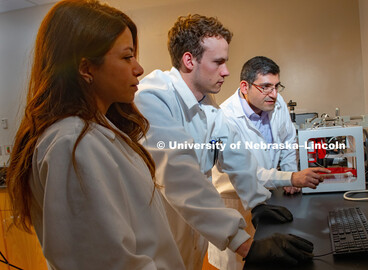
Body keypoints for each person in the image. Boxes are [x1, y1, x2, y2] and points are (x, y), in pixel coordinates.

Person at [6, 1, 185, 269]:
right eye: (127, 57)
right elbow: (106, 262)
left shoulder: (97, 133)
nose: (138, 68)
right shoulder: (73, 144)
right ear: (86, 69)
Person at [134, 14, 314, 269]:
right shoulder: (153, 96)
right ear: (189, 60)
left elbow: (236, 155)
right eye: (218, 62)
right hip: (158, 235)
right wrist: (244, 244)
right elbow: (178, 175)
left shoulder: (207, 105)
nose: (226, 71)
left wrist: (257, 203)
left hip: (193, 231)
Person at [208, 56, 330, 269]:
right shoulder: (226, 117)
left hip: (267, 199)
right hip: (236, 202)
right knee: (239, 263)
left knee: (271, 258)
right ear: (245, 87)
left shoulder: (276, 102)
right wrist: (291, 177)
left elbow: (288, 139)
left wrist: (291, 175)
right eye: (265, 87)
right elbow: (247, 170)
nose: (274, 94)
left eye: (276, 86)